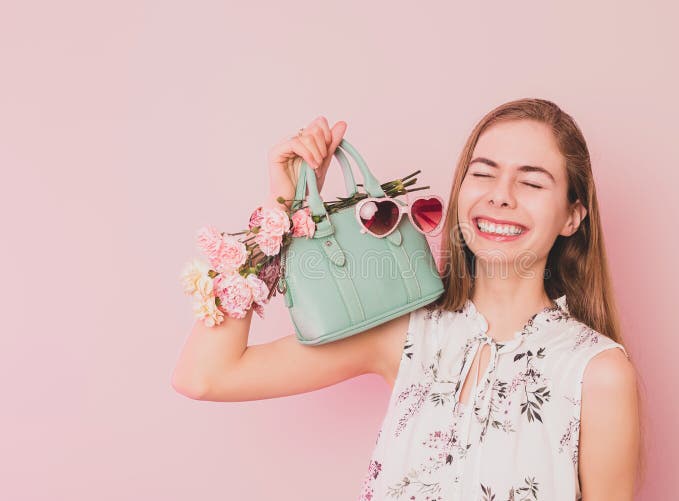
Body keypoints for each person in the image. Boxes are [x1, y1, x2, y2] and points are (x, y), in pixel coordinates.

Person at [172, 98, 643, 501]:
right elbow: (205, 376)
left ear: (572, 216)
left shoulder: (595, 372)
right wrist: (281, 209)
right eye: (484, 174)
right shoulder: (406, 333)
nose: (500, 196)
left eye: (532, 182)